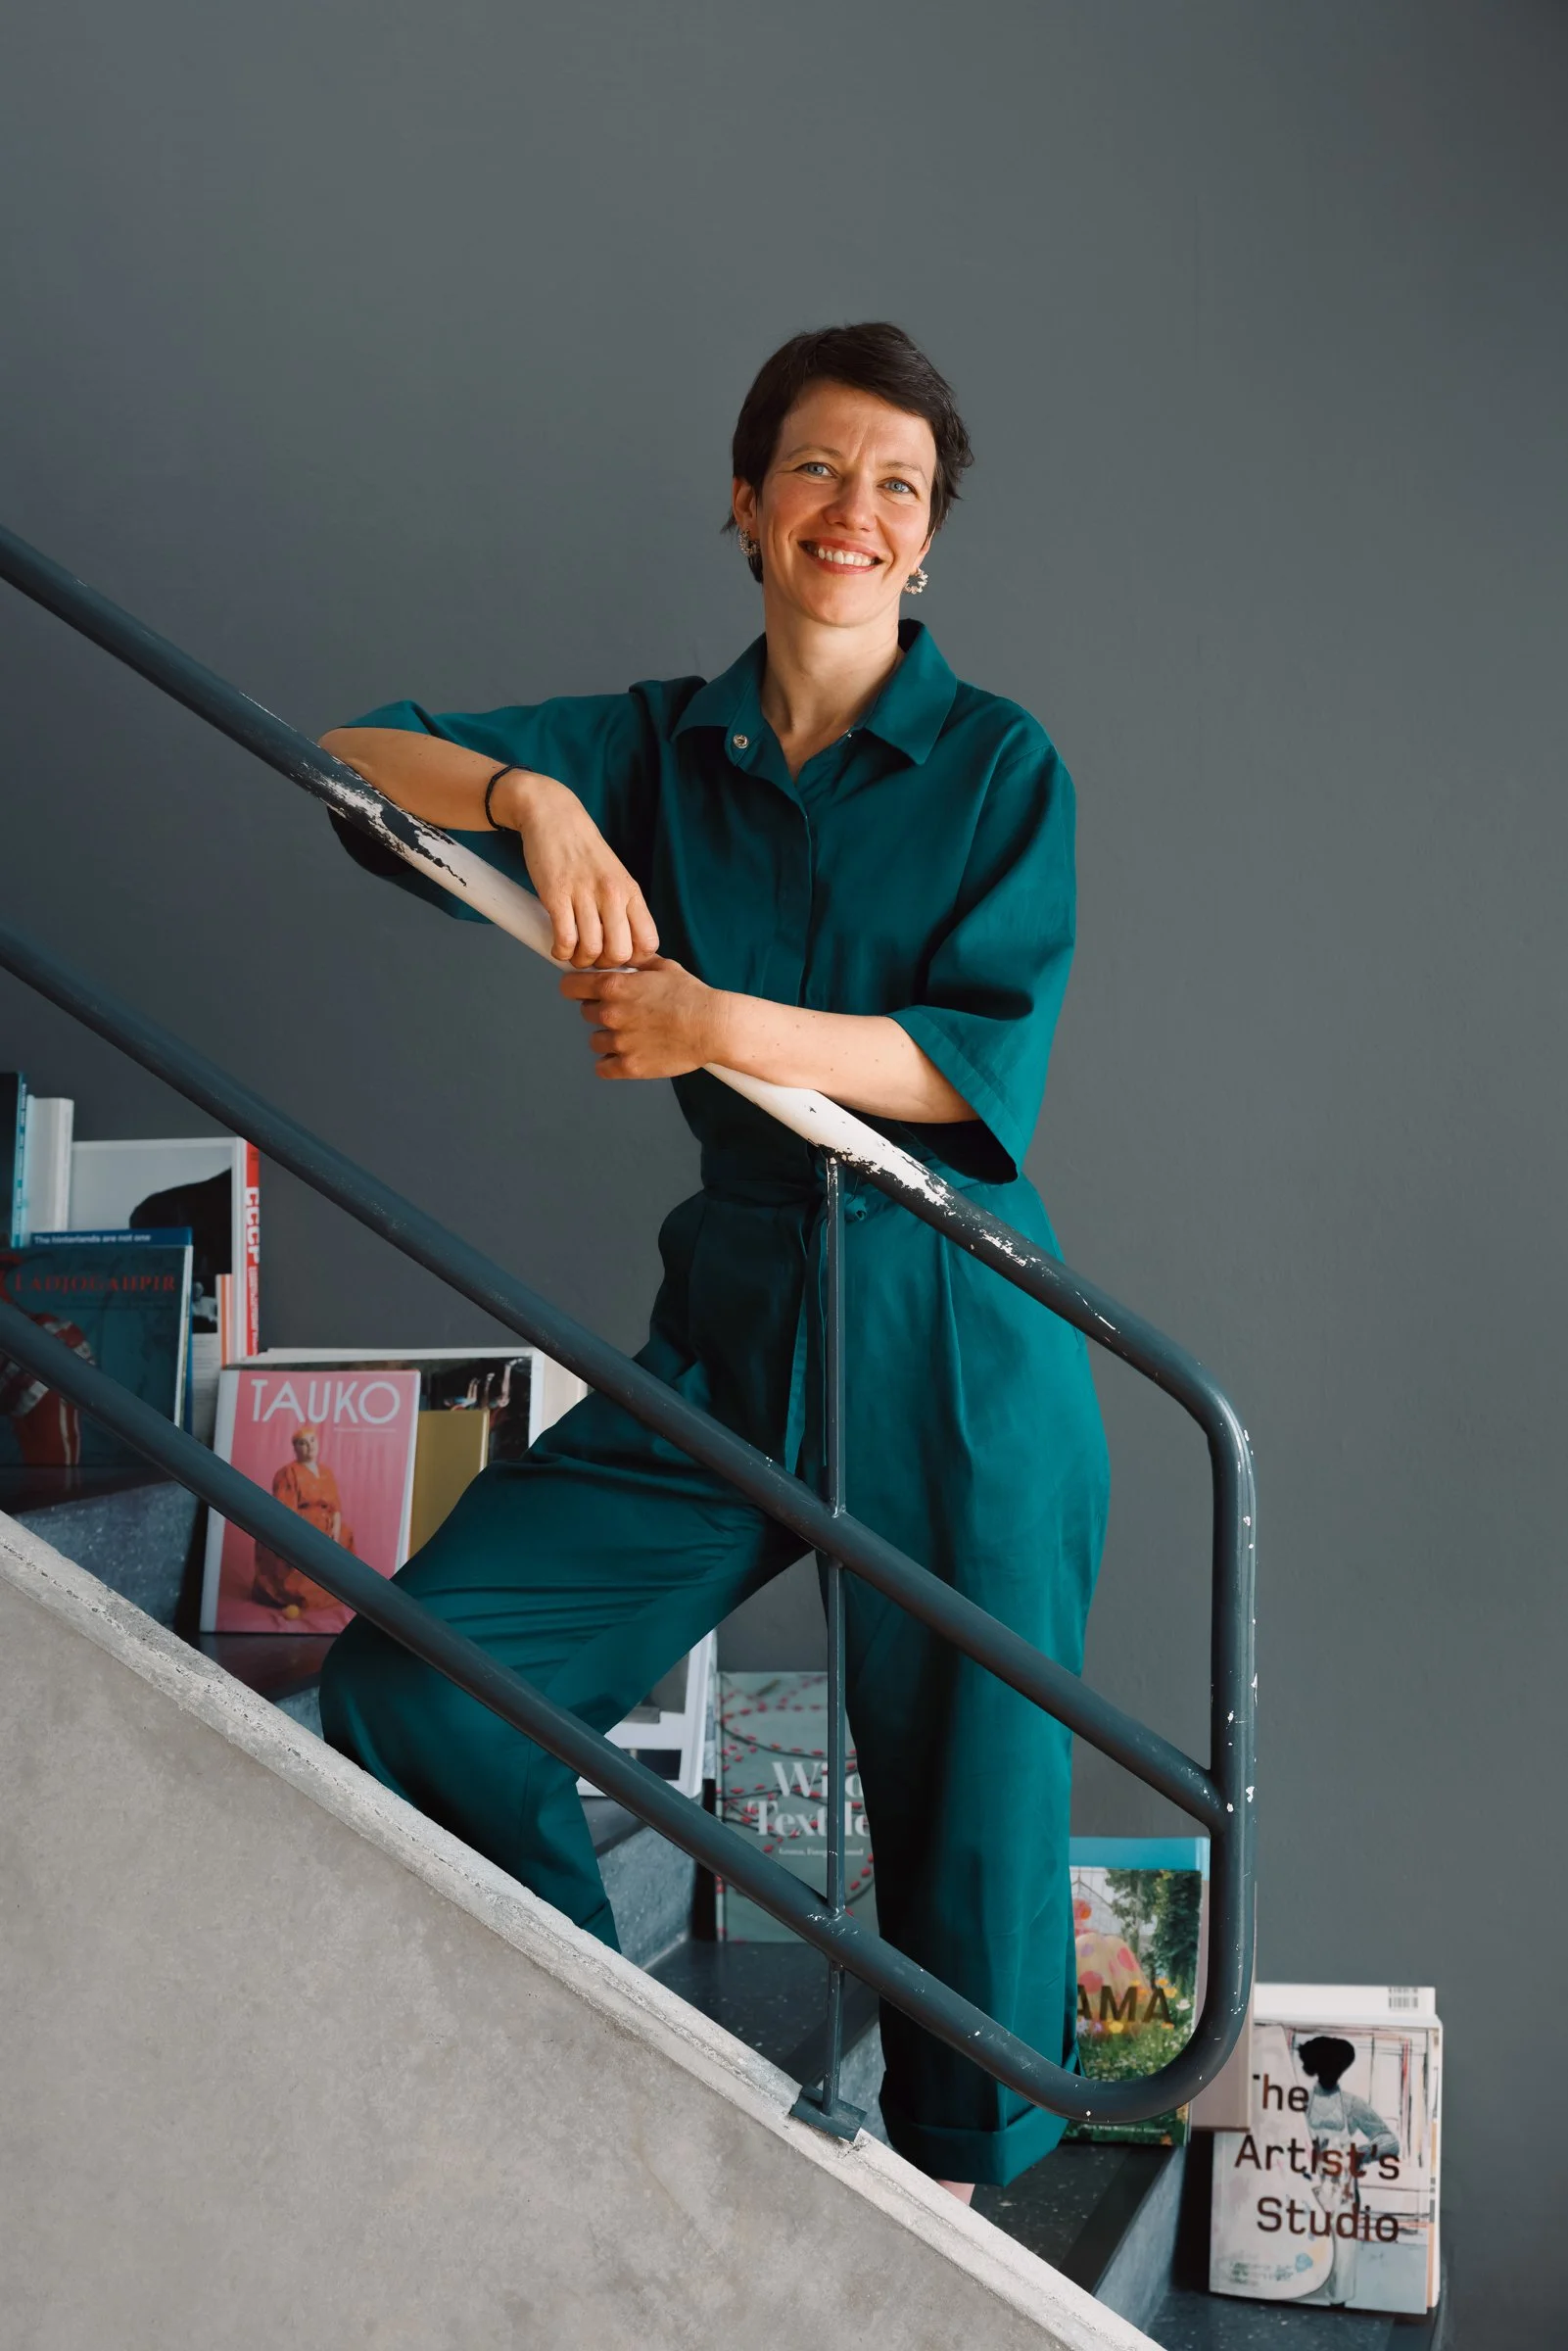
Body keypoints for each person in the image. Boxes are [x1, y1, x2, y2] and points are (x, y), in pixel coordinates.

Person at [316, 322, 1110, 2200]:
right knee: (428, 1682)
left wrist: (711, 1023)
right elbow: (348, 758)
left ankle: (955, 2250)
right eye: (820, 471)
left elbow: (963, 1063)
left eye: (896, 488)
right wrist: (536, 799)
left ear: (928, 546)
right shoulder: (656, 743)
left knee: (972, 1840)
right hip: (741, 1302)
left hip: (952, 1318)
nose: (855, 511)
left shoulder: (1001, 766)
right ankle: (641, 2099)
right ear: (745, 503)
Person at [253, 1422, 354, 1615]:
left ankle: (332, 1591)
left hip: (328, 1522)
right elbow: (285, 1510)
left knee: (345, 1536)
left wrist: (337, 1527)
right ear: (295, 1448)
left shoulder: (326, 1472)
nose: (310, 1446)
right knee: (301, 1545)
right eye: (303, 1443)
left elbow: (336, 1507)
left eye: (312, 1440)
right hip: (301, 1523)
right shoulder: (288, 1473)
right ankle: (296, 1597)